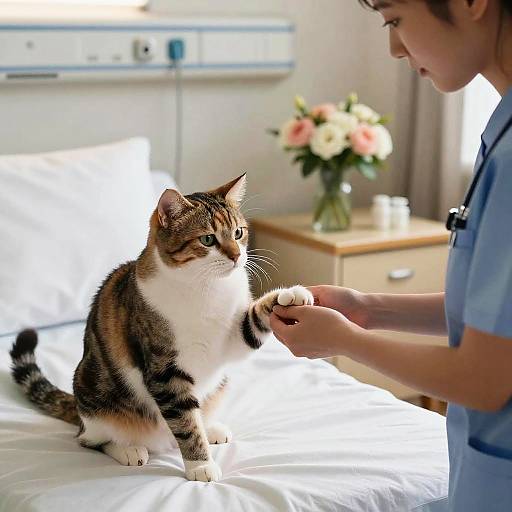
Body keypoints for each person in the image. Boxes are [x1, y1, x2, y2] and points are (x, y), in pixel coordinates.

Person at [269, 1, 512, 511]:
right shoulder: (502, 128)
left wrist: (346, 340)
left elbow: (484, 380)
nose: (394, 47)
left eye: (394, 18)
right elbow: (494, 320)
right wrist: (368, 308)